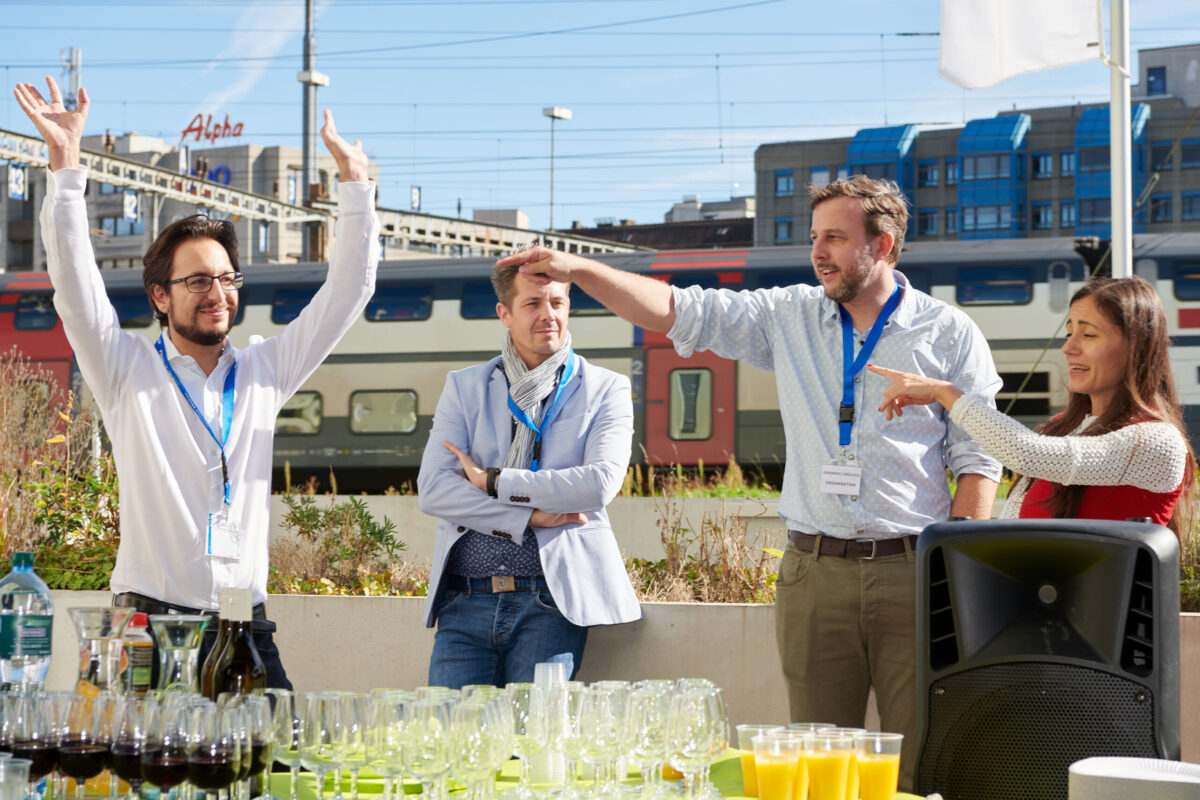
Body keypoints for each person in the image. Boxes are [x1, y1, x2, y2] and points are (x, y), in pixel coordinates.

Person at [499, 175, 1002, 790]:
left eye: (835, 238)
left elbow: (978, 459)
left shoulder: (949, 332)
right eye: (814, 238)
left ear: (884, 245)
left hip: (914, 571)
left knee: (920, 761)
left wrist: (952, 573)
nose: (818, 253)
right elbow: (676, 309)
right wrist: (579, 270)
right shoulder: (788, 315)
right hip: (816, 573)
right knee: (817, 765)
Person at [14, 77, 381, 687]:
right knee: (142, 755)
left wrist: (356, 187)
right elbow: (75, 289)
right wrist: (67, 166)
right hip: (147, 629)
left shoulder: (264, 372)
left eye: (227, 279)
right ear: (160, 296)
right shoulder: (126, 368)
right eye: (198, 281)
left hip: (245, 627)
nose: (218, 294)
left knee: (275, 750)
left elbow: (347, 295)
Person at [416, 257, 640, 688]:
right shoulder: (465, 386)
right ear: (505, 313)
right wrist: (529, 517)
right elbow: (435, 490)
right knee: (449, 727)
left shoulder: (606, 388)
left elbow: (598, 485)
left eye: (557, 302)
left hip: (552, 600)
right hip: (464, 599)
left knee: (536, 728)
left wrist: (494, 482)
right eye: (533, 303)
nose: (548, 314)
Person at [870, 276, 1195, 532]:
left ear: (1136, 348)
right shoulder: (1059, 428)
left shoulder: (1157, 441)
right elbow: (1014, 522)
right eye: (1069, 333)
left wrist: (945, 393)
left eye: (1088, 335)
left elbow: (1026, 454)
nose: (1068, 348)